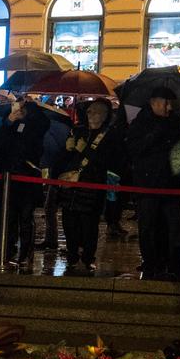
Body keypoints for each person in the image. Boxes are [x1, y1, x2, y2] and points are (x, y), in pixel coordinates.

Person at [126, 90, 180, 280]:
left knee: (173, 226)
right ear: (154, 102)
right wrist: (156, 134)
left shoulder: (176, 122)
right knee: (149, 225)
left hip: (172, 183)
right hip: (148, 183)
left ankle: (173, 263)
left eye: (170, 103)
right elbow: (134, 149)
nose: (168, 107)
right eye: (165, 103)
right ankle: (151, 261)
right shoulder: (141, 122)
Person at [55, 99, 123, 277]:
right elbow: (63, 159)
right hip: (71, 185)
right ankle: (71, 255)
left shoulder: (110, 135)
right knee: (69, 223)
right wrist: (70, 149)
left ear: (105, 116)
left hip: (92, 186)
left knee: (89, 225)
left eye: (97, 112)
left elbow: (111, 161)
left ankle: (87, 258)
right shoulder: (78, 131)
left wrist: (86, 151)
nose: (92, 116)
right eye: (90, 112)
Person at [0, 96, 50, 270]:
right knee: (7, 219)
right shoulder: (8, 125)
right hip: (9, 179)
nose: (18, 110)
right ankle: (6, 253)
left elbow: (41, 128)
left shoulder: (35, 125)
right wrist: (9, 121)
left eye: (21, 108)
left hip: (27, 180)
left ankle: (25, 254)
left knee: (25, 218)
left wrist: (31, 106)